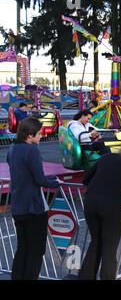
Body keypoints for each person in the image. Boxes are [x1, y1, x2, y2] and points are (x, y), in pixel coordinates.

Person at [7, 117, 62, 279]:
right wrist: (56, 182)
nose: (41, 136)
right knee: (36, 251)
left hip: (18, 206)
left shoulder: (12, 148)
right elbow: (40, 179)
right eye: (39, 134)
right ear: (29, 135)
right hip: (33, 207)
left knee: (23, 248)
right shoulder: (32, 151)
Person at [78, 144, 121, 280]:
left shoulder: (105, 158)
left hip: (90, 201)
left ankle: (85, 277)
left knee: (95, 242)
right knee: (109, 247)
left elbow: (86, 178)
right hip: (111, 205)